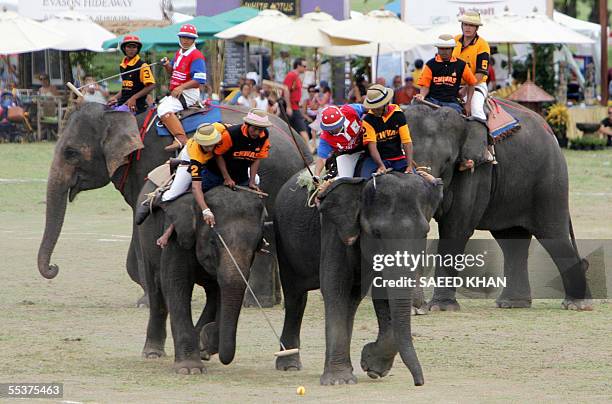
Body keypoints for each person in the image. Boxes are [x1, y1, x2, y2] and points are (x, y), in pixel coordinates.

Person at [134, 122, 223, 225]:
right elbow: (196, 187)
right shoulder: (195, 155)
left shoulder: (220, 128)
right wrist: (205, 210)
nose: (209, 148)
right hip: (188, 160)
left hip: (210, 158)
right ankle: (153, 200)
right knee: (174, 193)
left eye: (211, 143)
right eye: (206, 145)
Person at [158, 23, 207, 151]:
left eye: (189, 38)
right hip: (177, 91)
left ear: (194, 39)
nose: (185, 40)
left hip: (188, 93)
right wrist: (167, 65)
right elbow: (172, 71)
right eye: (183, 37)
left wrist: (181, 88)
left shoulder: (197, 56)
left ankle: (181, 139)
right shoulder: (179, 53)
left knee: (163, 109)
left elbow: (199, 80)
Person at [207, 108, 271, 191]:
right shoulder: (231, 134)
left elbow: (257, 158)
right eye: (254, 128)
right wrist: (227, 178)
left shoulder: (264, 136)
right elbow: (218, 154)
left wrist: (251, 182)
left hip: (240, 173)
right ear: (247, 124)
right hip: (217, 172)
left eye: (261, 129)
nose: (257, 133)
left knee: (256, 181)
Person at [415, 34, 477, 115]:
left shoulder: (461, 65)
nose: (444, 51)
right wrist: (422, 96)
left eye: (447, 49)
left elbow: (471, 83)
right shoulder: (430, 64)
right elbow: (425, 86)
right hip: (432, 101)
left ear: (452, 49)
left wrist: (468, 103)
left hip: (452, 103)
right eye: (441, 48)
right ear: (437, 49)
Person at [360, 84, 413, 177]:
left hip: (398, 158)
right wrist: (380, 165)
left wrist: (409, 166)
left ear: (386, 104)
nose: (374, 111)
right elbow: (372, 148)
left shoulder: (398, 114)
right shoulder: (368, 120)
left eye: (377, 108)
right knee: (364, 180)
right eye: (372, 108)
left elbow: (406, 141)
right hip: (376, 159)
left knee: (416, 180)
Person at [453, 10, 490, 122]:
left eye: (471, 25)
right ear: (461, 25)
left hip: (477, 85)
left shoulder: (482, 45)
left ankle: (483, 138)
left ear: (477, 28)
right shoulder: (454, 40)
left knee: (476, 110)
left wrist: (465, 89)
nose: (467, 28)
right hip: (453, 84)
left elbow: (480, 73)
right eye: (465, 24)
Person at [107, 35, 156, 115]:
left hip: (136, 105)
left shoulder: (143, 65)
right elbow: (126, 87)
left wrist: (133, 98)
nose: (131, 50)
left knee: (115, 117)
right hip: (123, 102)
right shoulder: (122, 65)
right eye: (129, 47)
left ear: (137, 49)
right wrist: (115, 97)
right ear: (124, 48)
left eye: (134, 47)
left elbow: (151, 85)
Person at [315, 104, 366, 178]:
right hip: (348, 154)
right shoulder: (325, 138)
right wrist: (316, 175)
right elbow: (322, 158)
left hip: (367, 143)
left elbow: (367, 108)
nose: (333, 130)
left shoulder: (349, 110)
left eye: (335, 127)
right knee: (344, 179)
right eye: (330, 128)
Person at [283, 58, 311, 152]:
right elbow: (286, 90)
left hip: (294, 106)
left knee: (294, 130)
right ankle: (309, 150)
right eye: (304, 66)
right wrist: (288, 106)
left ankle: (303, 150)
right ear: (298, 66)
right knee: (302, 129)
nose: (305, 68)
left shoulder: (297, 76)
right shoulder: (291, 75)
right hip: (292, 107)